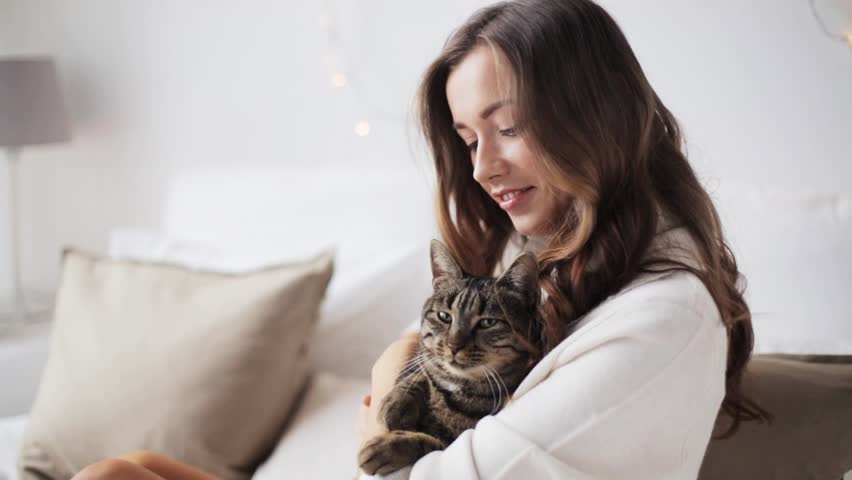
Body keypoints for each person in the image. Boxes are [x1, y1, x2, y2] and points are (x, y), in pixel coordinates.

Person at [73, 1, 769, 479]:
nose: (482, 169)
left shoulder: (659, 321)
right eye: (469, 140)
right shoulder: (554, 263)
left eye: (509, 128)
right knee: (121, 468)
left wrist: (387, 382)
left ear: (595, 117)